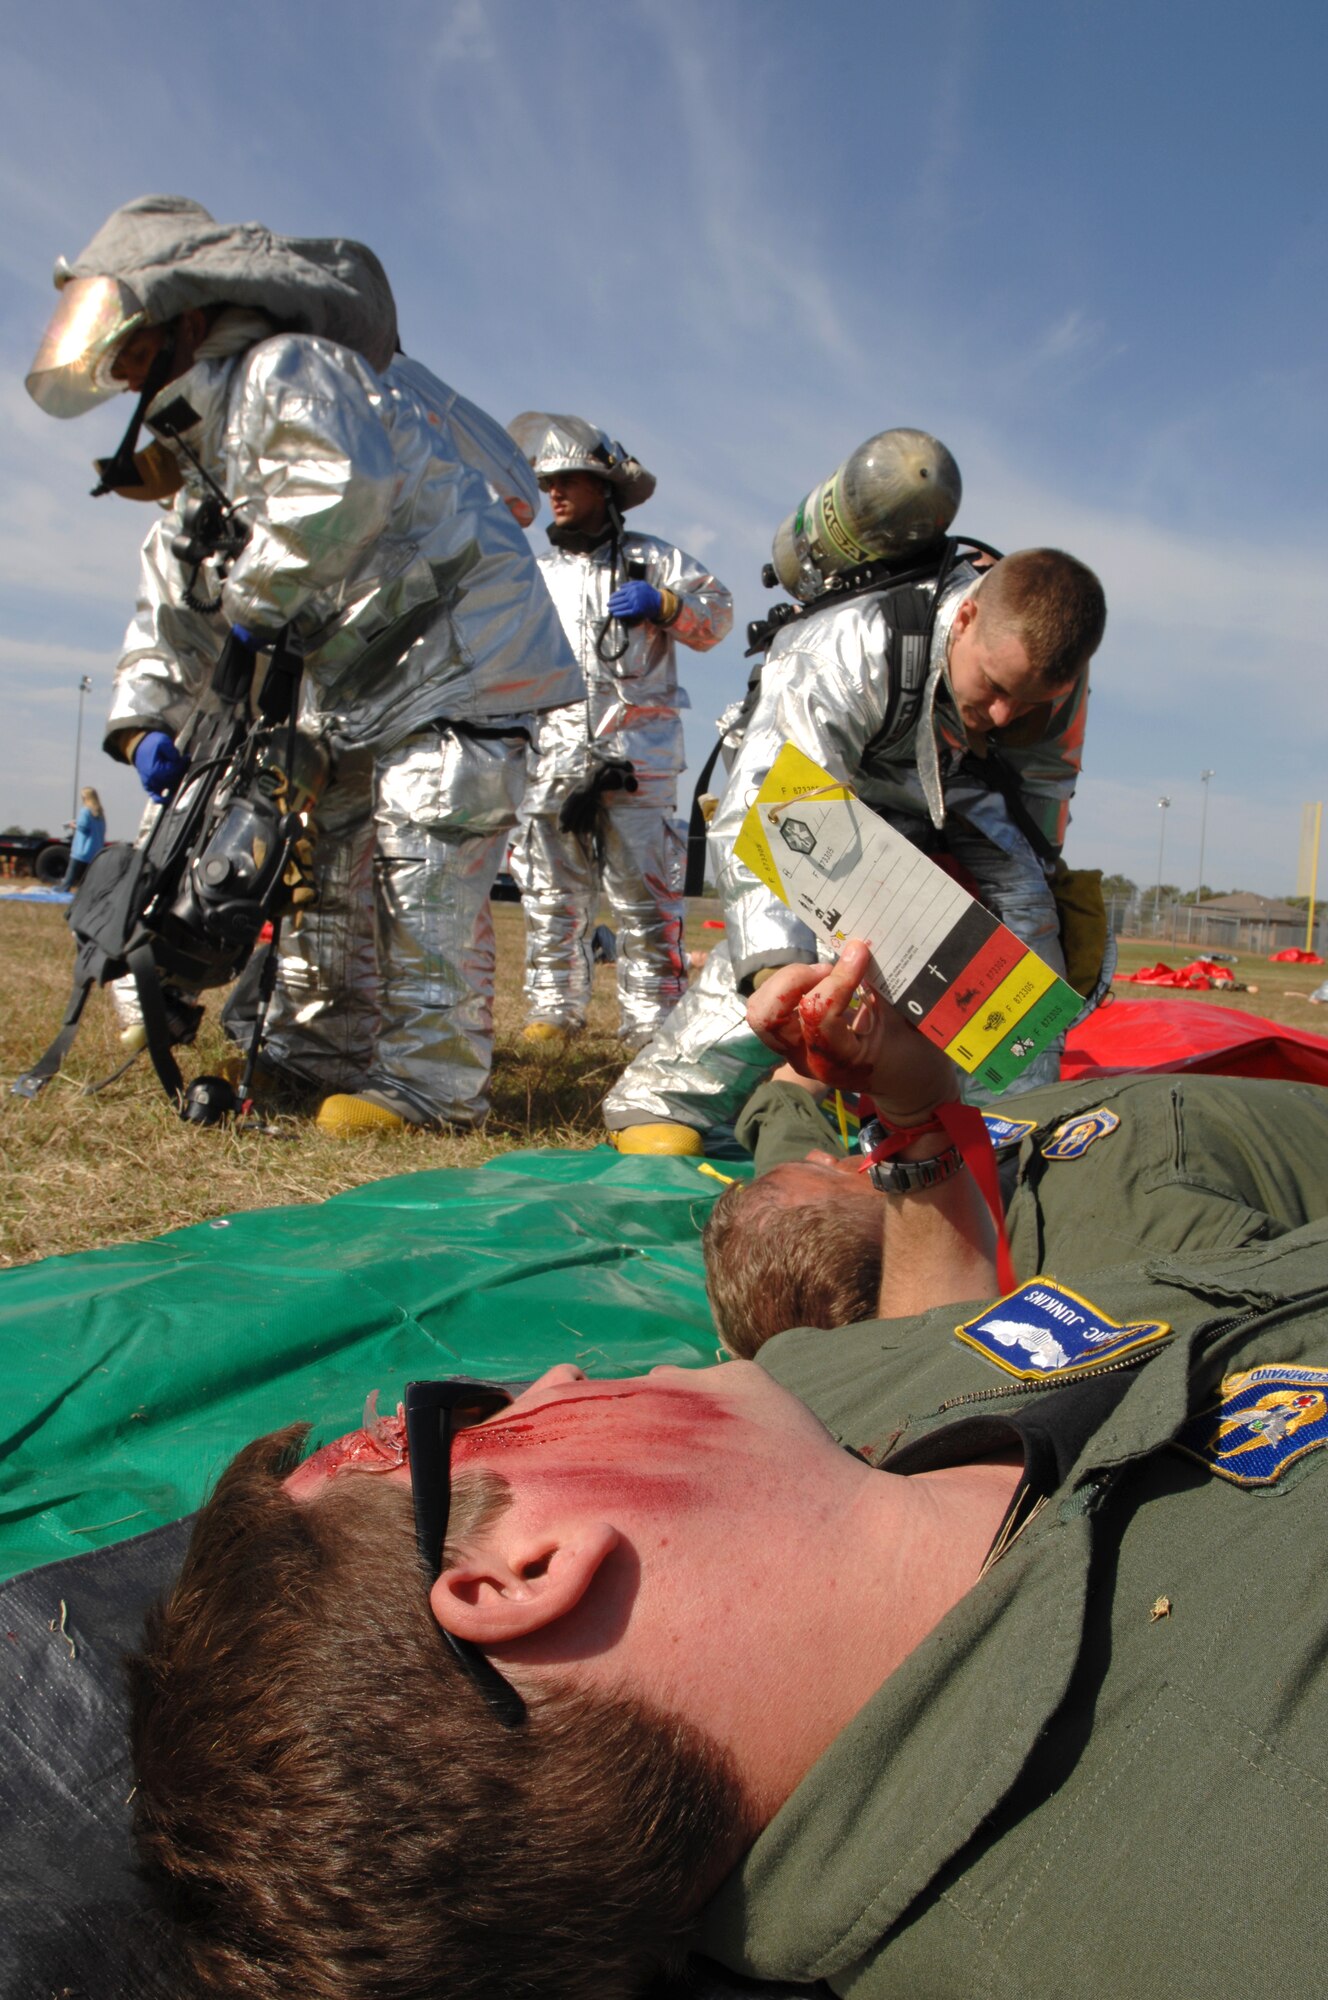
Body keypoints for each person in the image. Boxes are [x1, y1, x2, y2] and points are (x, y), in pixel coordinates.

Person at [126, 942, 1328, 1997]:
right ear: (516, 1575)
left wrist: (911, 1132)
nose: (545, 1380)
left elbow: (934, 1346)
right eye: (465, 1416)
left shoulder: (805, 1446)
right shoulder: (1250, 1859)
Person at [25, 194, 579, 1135]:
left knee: (424, 865)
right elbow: (174, 601)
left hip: (454, 662)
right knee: (323, 873)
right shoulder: (216, 442)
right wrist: (148, 720)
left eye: (125, 340)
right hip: (366, 688)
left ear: (185, 318)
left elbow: (340, 489)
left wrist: (251, 613)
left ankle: (430, 1088)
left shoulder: (289, 370)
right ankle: (316, 1052)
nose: (117, 373)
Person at [604, 540, 1106, 1151]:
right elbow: (769, 809)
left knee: (1024, 943)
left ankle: (1006, 1133)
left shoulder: (1056, 683)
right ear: (968, 617)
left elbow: (1041, 792)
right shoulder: (850, 647)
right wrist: (775, 967)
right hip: (815, 792)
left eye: (1027, 701)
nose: (1004, 715)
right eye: (996, 687)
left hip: (956, 800)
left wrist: (1041, 900)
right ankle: (665, 1098)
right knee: (819, 943)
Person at [705, 1056, 1328, 1355]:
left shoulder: (820, 1220)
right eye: (845, 1169)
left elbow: (786, 1103)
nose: (834, 1154)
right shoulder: (1135, 1253)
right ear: (902, 1236)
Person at [506, 414, 733, 1049]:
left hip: (638, 764)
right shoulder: (536, 576)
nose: (554, 493)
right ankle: (554, 1011)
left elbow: (717, 616)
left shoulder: (654, 560)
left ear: (603, 487)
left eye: (569, 480)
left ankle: (653, 1023)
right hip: (548, 762)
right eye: (548, 481)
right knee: (551, 899)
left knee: (647, 903)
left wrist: (665, 605)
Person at [60, 786, 106, 890]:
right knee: (88, 881)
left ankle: (63, 890)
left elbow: (83, 827)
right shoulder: (100, 813)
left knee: (68, 880)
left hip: (81, 851)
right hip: (95, 851)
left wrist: (73, 825)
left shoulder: (85, 811)